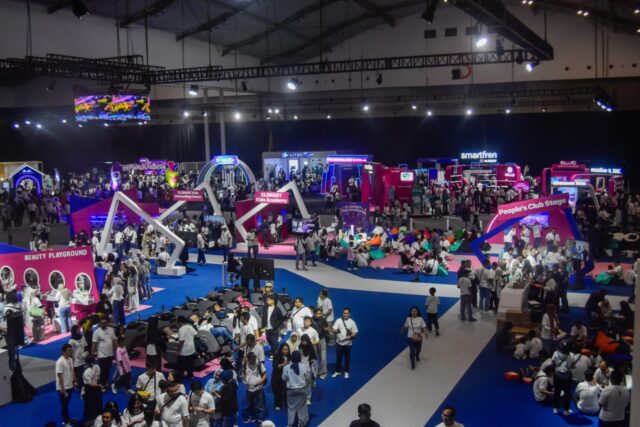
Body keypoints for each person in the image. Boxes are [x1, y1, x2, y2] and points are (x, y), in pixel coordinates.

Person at [282, 351, 311, 427]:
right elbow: (308, 378)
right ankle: (301, 423)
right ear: (299, 358)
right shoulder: (304, 366)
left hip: (291, 390)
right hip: (302, 390)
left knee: (291, 408)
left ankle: (290, 424)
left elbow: (284, 378)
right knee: (302, 407)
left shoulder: (286, 367)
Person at [332, 307, 358, 379]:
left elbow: (355, 332)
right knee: (338, 358)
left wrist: (350, 336)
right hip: (339, 343)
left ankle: (346, 371)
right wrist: (335, 330)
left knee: (347, 358)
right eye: (344, 313)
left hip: (348, 344)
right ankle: (337, 371)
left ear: (349, 314)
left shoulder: (352, 322)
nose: (345, 314)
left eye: (346, 313)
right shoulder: (338, 320)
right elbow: (334, 328)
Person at [242, 352, 267, 424]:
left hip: (258, 388)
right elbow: (243, 373)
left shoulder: (259, 364)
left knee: (260, 404)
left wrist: (261, 381)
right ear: (248, 359)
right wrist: (244, 378)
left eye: (254, 358)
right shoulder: (245, 364)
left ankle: (260, 418)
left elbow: (265, 374)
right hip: (249, 388)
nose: (253, 360)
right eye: (252, 359)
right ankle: (251, 416)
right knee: (249, 404)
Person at [56, 343, 77, 427]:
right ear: (63, 352)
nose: (71, 352)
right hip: (63, 388)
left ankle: (68, 419)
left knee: (67, 404)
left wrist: (74, 381)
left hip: (69, 385)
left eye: (71, 350)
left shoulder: (70, 359)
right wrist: (63, 390)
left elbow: (72, 371)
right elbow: (60, 376)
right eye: (69, 350)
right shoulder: (60, 362)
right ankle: (66, 422)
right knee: (64, 405)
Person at [92, 317, 116, 389]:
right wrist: (93, 353)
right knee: (102, 370)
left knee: (108, 369)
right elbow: (94, 344)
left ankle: (105, 382)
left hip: (110, 353)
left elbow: (114, 340)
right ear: (99, 323)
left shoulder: (111, 330)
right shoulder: (96, 332)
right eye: (102, 323)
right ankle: (101, 384)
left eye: (105, 323)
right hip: (101, 355)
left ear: (107, 323)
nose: (103, 324)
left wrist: (117, 349)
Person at [551, 342, 573, 415]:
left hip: (557, 376)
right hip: (567, 377)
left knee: (557, 392)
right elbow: (573, 366)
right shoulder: (571, 355)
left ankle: (556, 408)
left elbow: (552, 364)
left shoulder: (555, 353)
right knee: (567, 393)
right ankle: (566, 410)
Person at [262, 294, 284, 359]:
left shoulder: (277, 309)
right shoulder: (265, 308)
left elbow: (281, 319)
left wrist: (276, 326)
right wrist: (263, 326)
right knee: (269, 340)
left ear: (273, 301)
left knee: (274, 341)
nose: (267, 301)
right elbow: (263, 318)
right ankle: (273, 350)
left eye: (269, 300)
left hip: (274, 329)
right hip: (267, 328)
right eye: (267, 300)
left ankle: (275, 354)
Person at [83, 355, 103, 425]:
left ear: (87, 362)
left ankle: (90, 419)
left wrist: (97, 385)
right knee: (98, 403)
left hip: (90, 390)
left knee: (89, 405)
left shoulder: (86, 372)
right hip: (97, 389)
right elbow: (98, 378)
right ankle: (99, 417)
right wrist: (98, 385)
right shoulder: (97, 367)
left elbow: (89, 384)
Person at [271, 343, 290, 411]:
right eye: (284, 349)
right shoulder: (277, 356)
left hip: (286, 377)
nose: (286, 351)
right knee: (277, 391)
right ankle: (278, 404)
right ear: (281, 350)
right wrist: (283, 364)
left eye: (287, 349)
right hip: (277, 376)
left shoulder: (289, 356)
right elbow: (275, 366)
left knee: (287, 391)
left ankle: (287, 403)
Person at [69, 325, 88, 390]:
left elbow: (85, 346)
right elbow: (70, 352)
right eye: (77, 330)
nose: (79, 331)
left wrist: (86, 354)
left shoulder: (82, 337)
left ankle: (83, 387)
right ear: (74, 331)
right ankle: (81, 388)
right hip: (76, 361)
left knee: (83, 375)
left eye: (79, 330)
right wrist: (71, 362)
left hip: (83, 359)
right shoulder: (71, 341)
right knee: (79, 376)